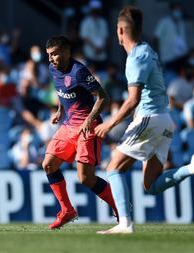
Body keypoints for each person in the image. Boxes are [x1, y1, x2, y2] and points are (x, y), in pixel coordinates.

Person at [94, 6, 194, 234]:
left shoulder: (136, 57)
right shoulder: (148, 50)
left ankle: (125, 224)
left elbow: (133, 99)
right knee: (151, 186)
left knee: (113, 168)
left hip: (150, 118)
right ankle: (192, 168)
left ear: (120, 30)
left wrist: (110, 123)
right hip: (164, 120)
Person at [43, 35, 118, 230]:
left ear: (67, 52)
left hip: (88, 126)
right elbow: (62, 89)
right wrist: (60, 110)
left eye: (55, 54)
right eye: (49, 55)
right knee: (49, 165)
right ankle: (67, 210)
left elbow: (103, 98)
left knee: (85, 178)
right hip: (68, 125)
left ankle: (119, 206)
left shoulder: (79, 72)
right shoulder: (53, 68)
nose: (51, 59)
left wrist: (89, 119)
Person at [153, 2, 188, 72]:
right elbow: (156, 37)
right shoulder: (164, 21)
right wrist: (157, 53)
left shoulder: (181, 22)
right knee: (170, 76)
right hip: (168, 56)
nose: (178, 11)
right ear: (171, 10)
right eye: (176, 9)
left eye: (179, 9)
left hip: (181, 56)